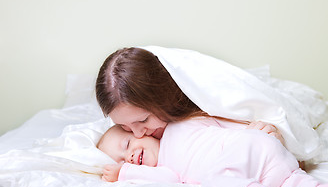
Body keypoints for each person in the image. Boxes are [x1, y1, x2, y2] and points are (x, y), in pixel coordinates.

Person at [97, 119, 328, 187]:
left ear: (142, 131)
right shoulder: (184, 129)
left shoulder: (175, 135)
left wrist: (124, 174)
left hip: (244, 151)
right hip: (269, 162)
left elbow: (167, 178)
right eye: (122, 160)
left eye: (127, 143)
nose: (128, 157)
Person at [95, 47, 284, 143]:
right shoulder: (123, 135)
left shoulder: (207, 107)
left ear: (164, 98)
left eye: (143, 120)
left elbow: (290, 152)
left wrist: (270, 137)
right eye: (123, 126)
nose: (137, 134)